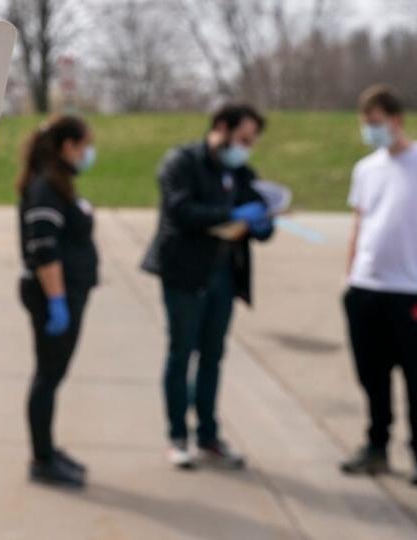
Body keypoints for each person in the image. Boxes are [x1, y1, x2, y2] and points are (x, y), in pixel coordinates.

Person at [141, 104, 274, 470]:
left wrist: (263, 223)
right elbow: (180, 210)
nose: (246, 148)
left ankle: (209, 435)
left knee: (213, 356)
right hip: (185, 274)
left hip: (224, 277)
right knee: (181, 352)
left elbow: (260, 210)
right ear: (221, 128)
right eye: (243, 139)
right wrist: (230, 215)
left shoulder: (241, 173)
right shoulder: (181, 163)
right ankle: (177, 435)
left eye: (251, 142)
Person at [340, 85, 417, 487]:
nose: (371, 130)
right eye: (366, 124)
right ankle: (376, 446)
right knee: (371, 375)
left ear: (396, 120)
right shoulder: (366, 169)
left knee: (416, 376)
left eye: (376, 122)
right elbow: (360, 225)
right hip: (365, 287)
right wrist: (350, 274)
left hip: (408, 289)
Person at [18, 115, 99, 488]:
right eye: (85, 145)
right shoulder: (46, 187)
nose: (88, 152)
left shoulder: (59, 184)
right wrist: (57, 301)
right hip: (54, 297)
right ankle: (42, 458)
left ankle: (47, 448)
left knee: (52, 376)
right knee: (47, 378)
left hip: (66, 294)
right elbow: (43, 250)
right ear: (68, 145)